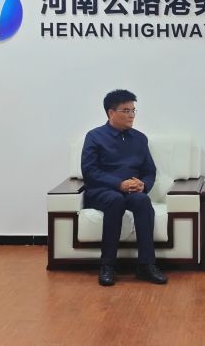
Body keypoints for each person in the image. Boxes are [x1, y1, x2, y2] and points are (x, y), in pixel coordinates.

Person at [81, 89, 168, 286]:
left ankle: (146, 265)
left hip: (131, 191)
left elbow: (149, 170)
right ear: (111, 113)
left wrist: (143, 184)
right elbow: (90, 171)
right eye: (126, 111)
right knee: (115, 200)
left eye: (133, 110)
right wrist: (118, 184)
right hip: (102, 191)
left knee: (142, 201)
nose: (131, 115)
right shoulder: (94, 137)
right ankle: (107, 265)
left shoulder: (140, 138)